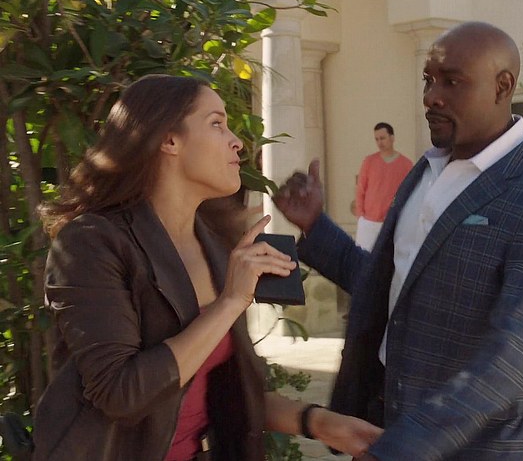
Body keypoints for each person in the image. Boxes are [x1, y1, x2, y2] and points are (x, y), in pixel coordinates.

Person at [276, 21, 523, 461]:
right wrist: (315, 226)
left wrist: (402, 448)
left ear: (503, 87)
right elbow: (391, 285)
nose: (431, 96)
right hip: (382, 427)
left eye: (452, 82)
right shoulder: (424, 172)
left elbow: (511, 358)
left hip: (471, 450)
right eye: (428, 79)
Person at [33, 74, 382, 461]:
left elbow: (227, 392)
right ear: (169, 140)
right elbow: (121, 393)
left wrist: (318, 422)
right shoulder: (91, 243)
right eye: (217, 124)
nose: (237, 141)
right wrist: (230, 301)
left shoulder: (215, 242)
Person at [354, 122, 413, 251]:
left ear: (392, 138)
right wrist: (361, 216)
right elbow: (360, 190)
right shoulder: (369, 162)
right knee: (363, 258)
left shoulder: (406, 165)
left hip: (393, 223)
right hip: (369, 222)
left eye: (382, 138)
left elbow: (410, 194)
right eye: (377, 139)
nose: (379, 142)